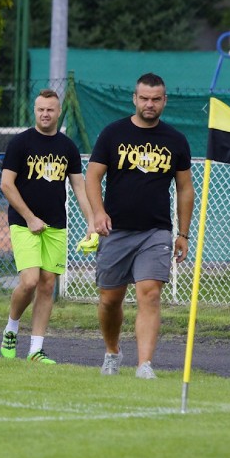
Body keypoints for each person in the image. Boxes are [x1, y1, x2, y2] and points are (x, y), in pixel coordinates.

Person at [85, 73, 194, 379]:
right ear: (134, 99)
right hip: (115, 230)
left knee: (150, 293)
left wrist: (183, 234)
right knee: (110, 299)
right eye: (144, 98)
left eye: (155, 99)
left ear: (164, 101)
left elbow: (185, 189)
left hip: (155, 231)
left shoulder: (175, 140)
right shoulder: (113, 133)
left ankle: (144, 364)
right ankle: (112, 351)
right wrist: (98, 213)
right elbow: (93, 176)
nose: (149, 104)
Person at [0, 89, 94, 363]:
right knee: (29, 281)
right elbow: (6, 184)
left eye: (50, 110)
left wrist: (90, 221)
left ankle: (35, 350)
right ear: (35, 110)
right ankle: (11, 327)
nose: (45, 114)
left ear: (58, 111)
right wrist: (29, 217)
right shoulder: (20, 143)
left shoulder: (67, 147)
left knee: (47, 284)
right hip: (23, 223)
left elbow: (78, 186)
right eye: (40, 109)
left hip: (55, 225)